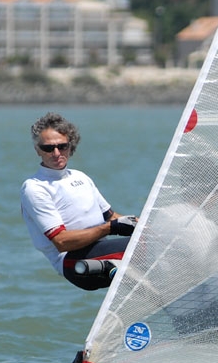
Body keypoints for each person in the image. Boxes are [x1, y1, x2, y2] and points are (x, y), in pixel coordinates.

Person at [20, 112, 137, 291]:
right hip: (73, 263)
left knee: (159, 242)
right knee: (146, 248)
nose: (56, 153)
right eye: (48, 148)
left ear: (70, 145)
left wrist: (151, 228)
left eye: (62, 146)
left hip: (102, 251)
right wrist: (111, 228)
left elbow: (111, 216)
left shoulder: (80, 177)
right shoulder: (35, 188)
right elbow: (61, 242)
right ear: (37, 149)